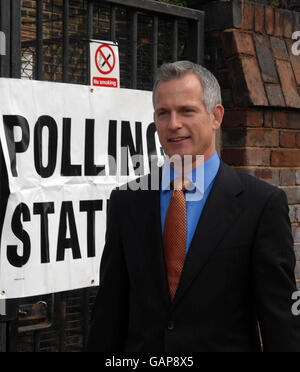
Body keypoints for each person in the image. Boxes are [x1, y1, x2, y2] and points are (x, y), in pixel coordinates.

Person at [87, 61, 300, 352]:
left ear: (216, 116)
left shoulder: (261, 205)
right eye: (164, 113)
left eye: (187, 111)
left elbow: (280, 320)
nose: (173, 124)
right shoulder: (127, 201)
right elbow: (110, 310)